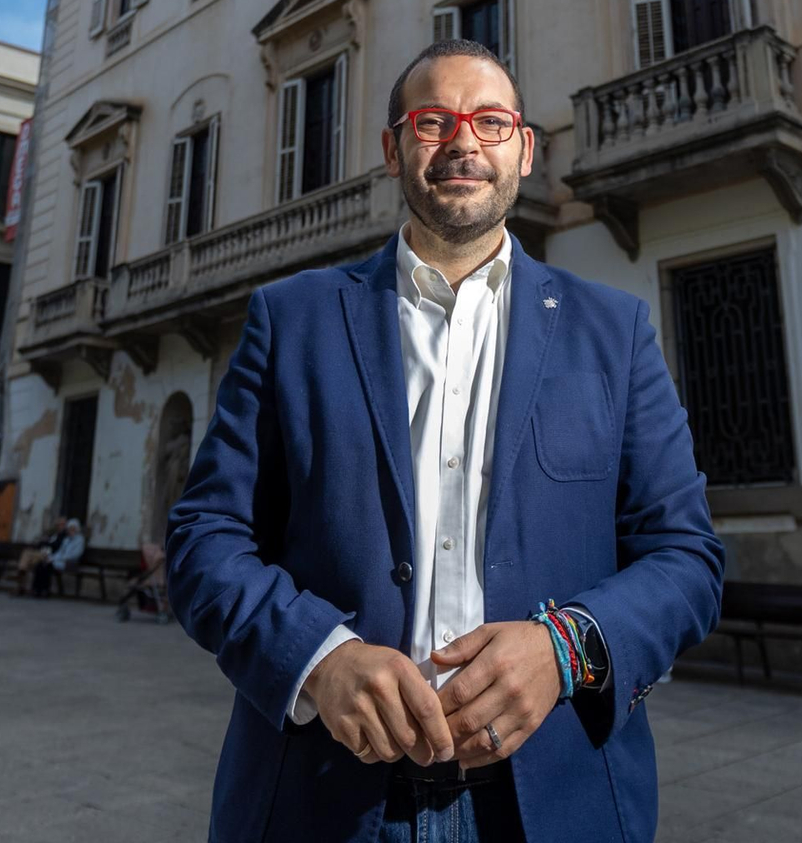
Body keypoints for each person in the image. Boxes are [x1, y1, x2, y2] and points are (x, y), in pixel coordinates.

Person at [167, 41, 725, 843]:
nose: (464, 141)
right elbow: (202, 537)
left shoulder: (616, 332)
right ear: (394, 147)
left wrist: (567, 650)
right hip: (326, 801)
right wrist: (317, 658)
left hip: (552, 799)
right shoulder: (291, 321)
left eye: (490, 121)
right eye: (434, 121)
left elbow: (687, 556)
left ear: (524, 150)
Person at [14, 515, 70, 596]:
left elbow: (56, 546)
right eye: (59, 524)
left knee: (28, 555)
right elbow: (41, 543)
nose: (60, 526)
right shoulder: (53, 533)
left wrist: (46, 543)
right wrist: (45, 542)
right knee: (28, 557)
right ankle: (21, 584)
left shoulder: (64, 535)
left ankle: (21, 572)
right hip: (43, 552)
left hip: (50, 555)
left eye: (62, 524)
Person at [31, 520, 86, 598]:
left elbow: (75, 555)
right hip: (60, 561)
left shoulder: (80, 540)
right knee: (41, 564)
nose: (71, 531)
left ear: (77, 529)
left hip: (70, 563)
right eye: (69, 529)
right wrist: (51, 558)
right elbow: (60, 552)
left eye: (73, 529)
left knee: (47, 566)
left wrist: (55, 560)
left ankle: (45, 590)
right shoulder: (66, 540)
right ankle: (37, 589)